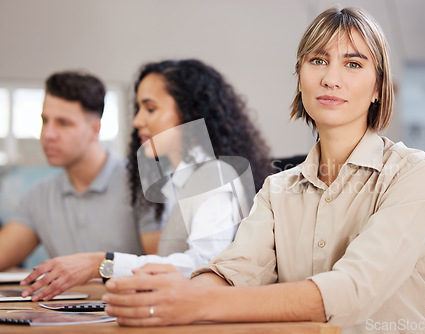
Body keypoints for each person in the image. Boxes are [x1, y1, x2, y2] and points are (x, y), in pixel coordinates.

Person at [103, 7, 425, 334]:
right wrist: (186, 294)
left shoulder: (416, 175)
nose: (330, 78)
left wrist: (199, 302)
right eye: (318, 61)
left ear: (377, 87)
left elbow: (353, 289)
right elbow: (234, 270)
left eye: (353, 64)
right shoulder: (277, 188)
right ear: (300, 77)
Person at [20, 59, 272, 301]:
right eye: (139, 109)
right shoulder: (176, 183)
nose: (138, 121)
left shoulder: (215, 176)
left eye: (150, 109)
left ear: (190, 113)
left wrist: (102, 264)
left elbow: (204, 266)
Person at [0, 71, 160, 274]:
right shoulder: (40, 195)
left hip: (128, 305)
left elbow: (160, 270)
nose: (48, 134)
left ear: (95, 129)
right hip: (64, 305)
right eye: (45, 121)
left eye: (63, 123)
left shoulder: (143, 184)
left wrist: (100, 269)